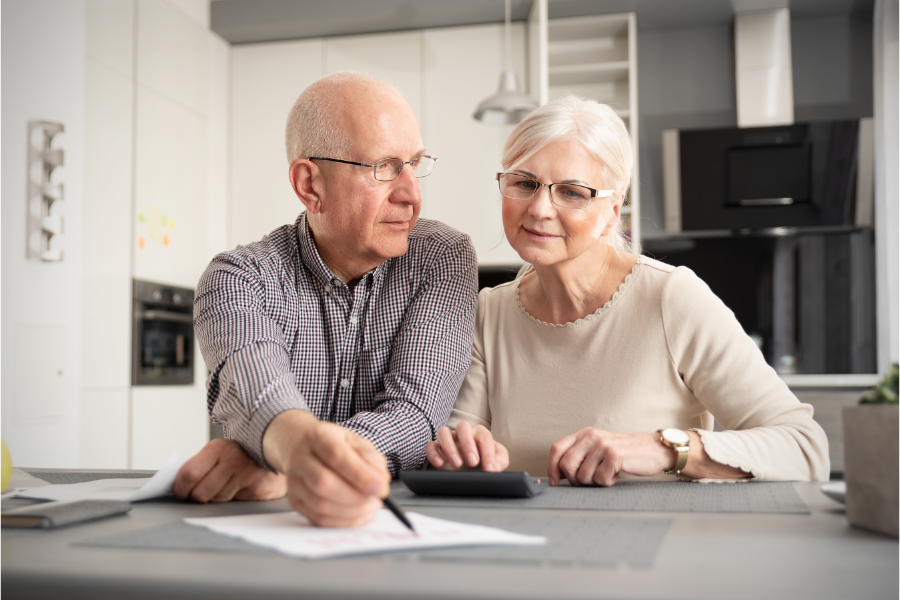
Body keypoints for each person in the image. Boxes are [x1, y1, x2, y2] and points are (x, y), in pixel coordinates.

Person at [425, 95, 829, 485]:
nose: (540, 208)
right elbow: (461, 445)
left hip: (654, 547)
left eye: (572, 192)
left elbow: (805, 448)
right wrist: (458, 453)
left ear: (612, 212)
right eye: (525, 183)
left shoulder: (672, 298)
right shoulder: (488, 312)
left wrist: (665, 449)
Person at [174, 72, 478, 526]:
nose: (413, 194)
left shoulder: (442, 258)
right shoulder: (238, 279)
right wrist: (291, 447)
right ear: (310, 185)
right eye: (385, 167)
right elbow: (258, 388)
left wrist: (280, 462)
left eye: (415, 163)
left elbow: (415, 415)